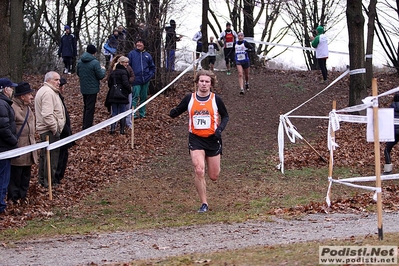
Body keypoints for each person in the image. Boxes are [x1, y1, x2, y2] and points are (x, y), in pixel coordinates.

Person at [169, 70, 229, 213]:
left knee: (214, 176)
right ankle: (204, 203)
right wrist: (173, 113)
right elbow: (178, 110)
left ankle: (206, 194)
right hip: (196, 139)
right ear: (197, 83)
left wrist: (220, 129)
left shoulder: (216, 99)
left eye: (207, 82)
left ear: (211, 84)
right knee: (199, 170)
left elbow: (225, 116)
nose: (204, 84)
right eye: (201, 81)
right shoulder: (190, 98)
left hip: (213, 140)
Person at [34, 71, 66, 187]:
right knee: (51, 158)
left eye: (59, 80)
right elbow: (47, 114)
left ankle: (43, 181)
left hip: (47, 130)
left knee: (45, 156)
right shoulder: (48, 92)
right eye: (56, 80)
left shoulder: (49, 91)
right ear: (48, 80)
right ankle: (48, 183)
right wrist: (55, 129)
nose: (59, 82)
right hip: (49, 131)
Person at [8, 82, 37, 204]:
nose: (31, 97)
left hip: (29, 148)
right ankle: (13, 198)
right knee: (16, 175)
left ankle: (22, 196)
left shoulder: (28, 108)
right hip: (18, 148)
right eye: (29, 94)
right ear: (22, 96)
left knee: (26, 174)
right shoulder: (12, 108)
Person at [76, 44, 106, 130]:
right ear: (94, 52)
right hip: (92, 89)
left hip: (84, 88)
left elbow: (78, 73)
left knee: (86, 106)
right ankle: (87, 127)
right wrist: (103, 69)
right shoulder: (95, 63)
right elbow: (100, 76)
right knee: (90, 107)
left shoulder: (80, 62)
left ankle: (85, 124)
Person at [0, 78, 18, 216]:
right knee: (3, 179)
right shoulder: (2, 104)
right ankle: (1, 206)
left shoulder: (5, 104)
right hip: (3, 148)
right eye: (11, 88)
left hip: (5, 147)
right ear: (5, 89)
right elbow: (3, 128)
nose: (12, 90)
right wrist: (14, 141)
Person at [127, 39, 156, 119]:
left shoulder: (148, 55)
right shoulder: (131, 54)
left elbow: (152, 67)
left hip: (145, 80)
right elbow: (128, 66)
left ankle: (142, 114)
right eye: (138, 42)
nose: (139, 44)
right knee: (135, 97)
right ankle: (133, 114)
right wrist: (131, 77)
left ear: (144, 45)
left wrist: (150, 75)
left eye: (141, 43)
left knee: (144, 97)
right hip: (136, 80)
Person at [54, 77, 74, 183]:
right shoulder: (55, 98)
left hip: (65, 130)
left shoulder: (60, 97)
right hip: (60, 131)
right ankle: (56, 177)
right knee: (60, 155)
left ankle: (59, 176)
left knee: (64, 155)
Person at [105, 56, 131, 135]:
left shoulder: (113, 72)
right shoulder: (124, 72)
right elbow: (126, 83)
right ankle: (122, 130)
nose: (127, 64)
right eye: (126, 62)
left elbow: (109, 83)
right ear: (121, 63)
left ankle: (112, 129)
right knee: (122, 112)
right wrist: (129, 90)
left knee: (114, 112)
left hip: (113, 94)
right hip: (122, 95)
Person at [383, 94, 399, 174]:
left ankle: (388, 169)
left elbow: (387, 119)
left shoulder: (391, 107)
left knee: (387, 150)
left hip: (394, 132)